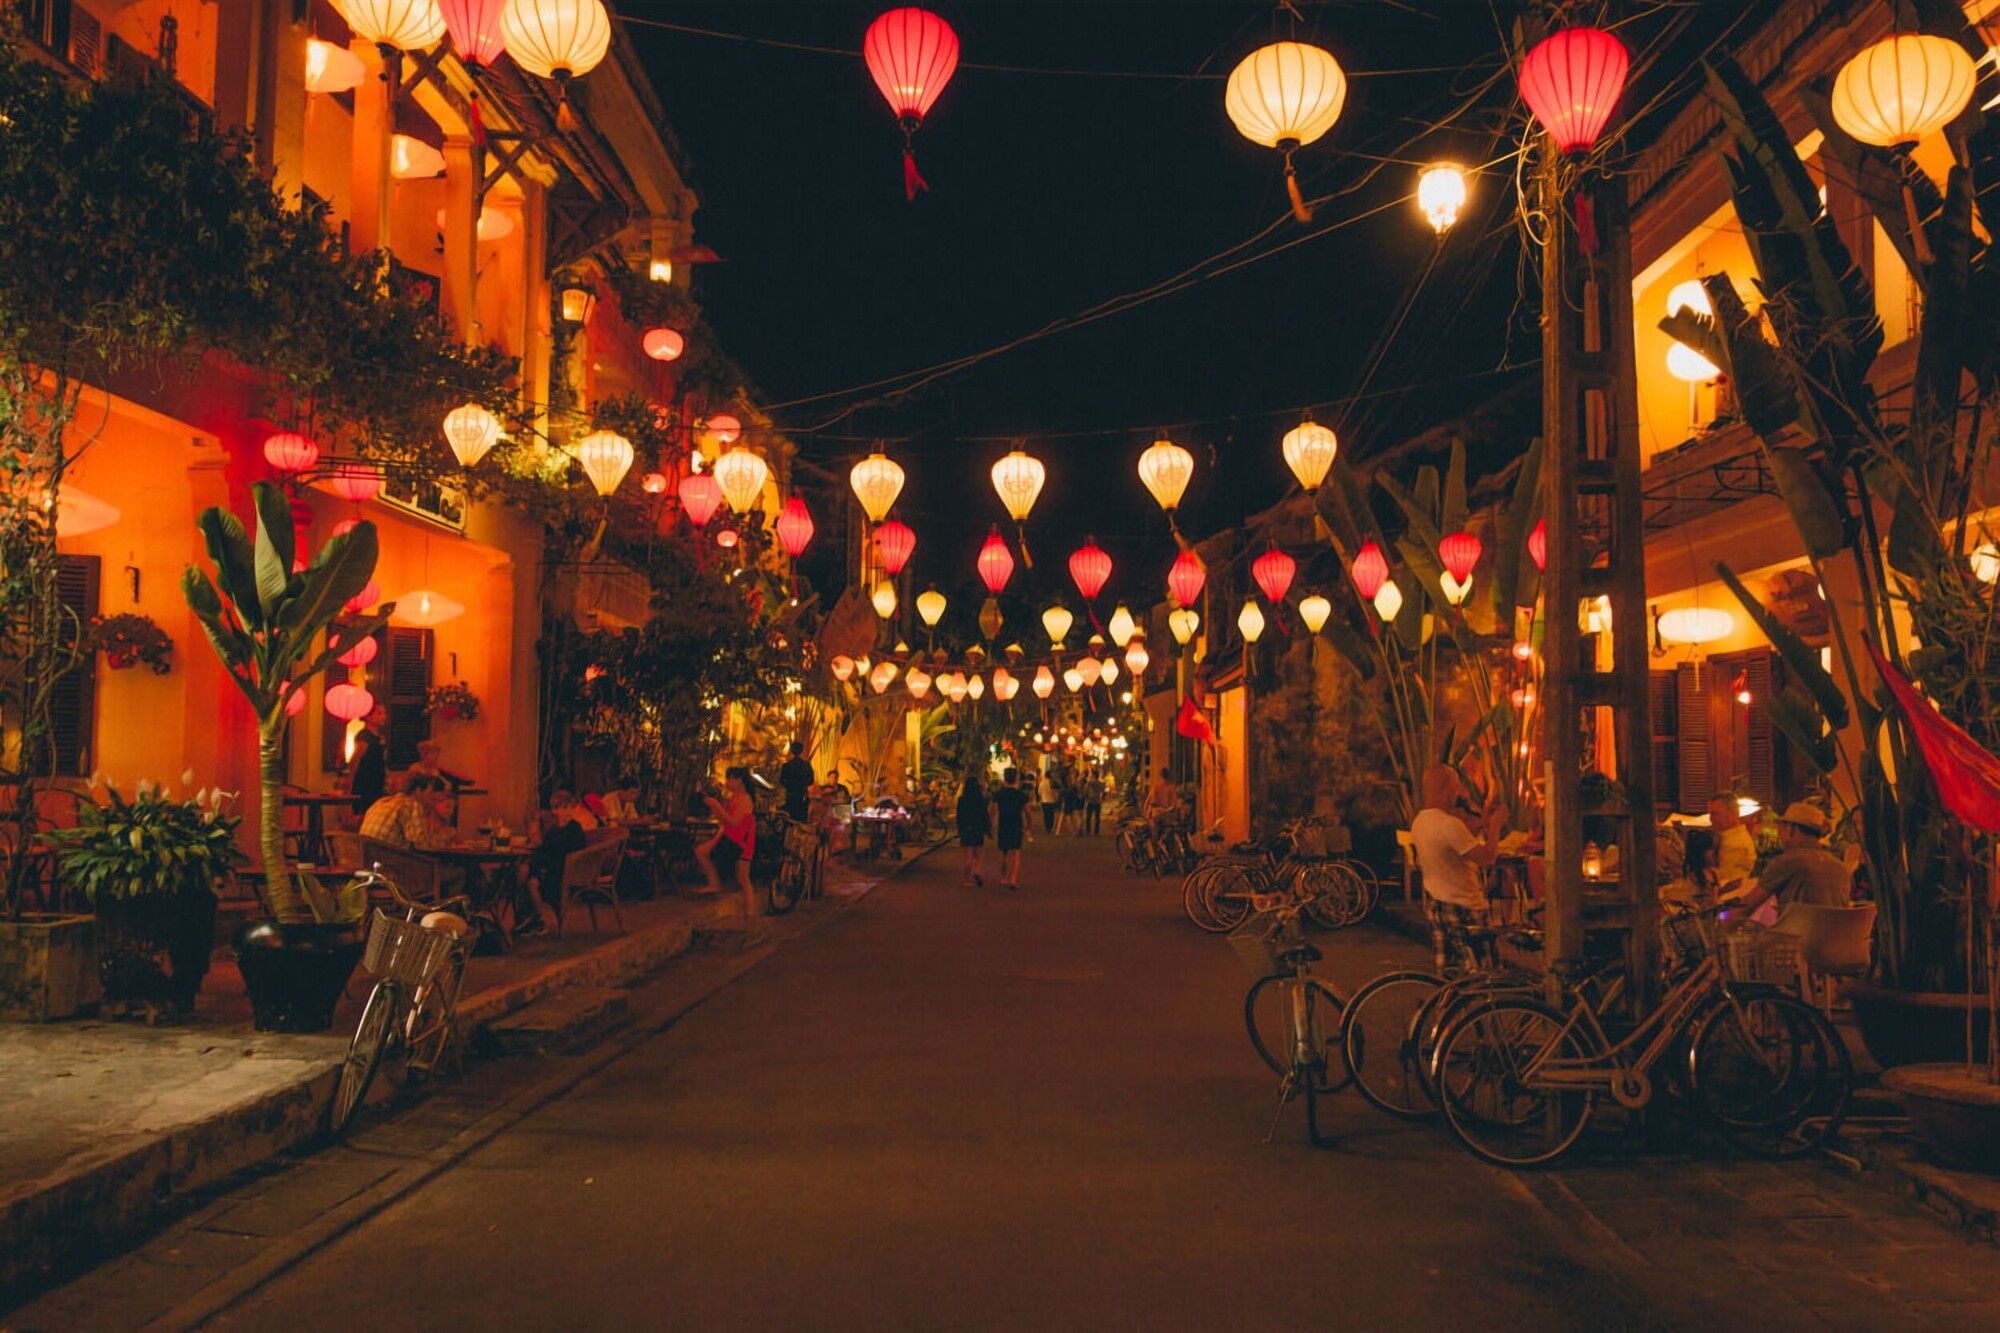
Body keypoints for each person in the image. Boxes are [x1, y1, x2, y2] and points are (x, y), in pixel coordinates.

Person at [1410, 763, 1501, 974]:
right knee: (1485, 976)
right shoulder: (1448, 825)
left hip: (1439, 904)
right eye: (1457, 786)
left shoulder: (1420, 821)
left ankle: (1441, 1007)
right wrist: (1495, 826)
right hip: (1464, 908)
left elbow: (1459, 845)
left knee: (1452, 975)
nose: (1460, 791)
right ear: (1446, 789)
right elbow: (1487, 858)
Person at [1737, 802, 1852, 915]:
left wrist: (1723, 919)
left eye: (1782, 826)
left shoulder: (1786, 862)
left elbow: (1747, 906)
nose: (1779, 832)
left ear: (1792, 829)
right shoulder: (1840, 867)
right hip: (1837, 934)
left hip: (1796, 932)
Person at [521, 790, 596, 936]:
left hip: (563, 873)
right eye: (563, 807)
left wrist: (540, 845)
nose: (567, 811)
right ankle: (526, 917)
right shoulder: (553, 830)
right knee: (521, 873)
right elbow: (545, 849)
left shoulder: (575, 829)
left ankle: (537, 920)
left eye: (569, 807)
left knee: (530, 880)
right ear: (555, 810)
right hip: (550, 868)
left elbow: (567, 850)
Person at [696, 767, 759, 918]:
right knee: (702, 852)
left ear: (739, 780)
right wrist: (715, 806)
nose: (727, 782)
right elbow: (726, 820)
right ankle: (714, 883)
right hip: (730, 836)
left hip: (741, 840)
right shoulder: (735, 797)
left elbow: (734, 821)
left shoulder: (744, 799)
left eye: (730, 778)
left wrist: (716, 806)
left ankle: (749, 913)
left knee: (743, 877)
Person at [359, 773, 455, 852]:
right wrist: (447, 841)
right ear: (418, 791)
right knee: (456, 872)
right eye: (430, 794)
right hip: (388, 861)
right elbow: (421, 845)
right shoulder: (412, 805)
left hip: (366, 858)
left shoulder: (380, 802)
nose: (430, 800)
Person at [1708, 793, 1758, 899]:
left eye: (1715, 814)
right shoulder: (1726, 838)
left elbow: (1724, 880)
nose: (1711, 819)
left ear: (1733, 814)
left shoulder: (1736, 844)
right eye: (1710, 814)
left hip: (1728, 902)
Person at [342, 703, 388, 817]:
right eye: (379, 713)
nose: (383, 716)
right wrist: (349, 780)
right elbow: (355, 759)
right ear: (368, 717)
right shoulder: (364, 736)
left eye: (384, 713)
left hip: (378, 781)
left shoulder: (379, 737)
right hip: (366, 782)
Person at [991, 768, 1031, 891]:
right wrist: (1029, 825)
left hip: (1004, 823)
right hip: (1016, 823)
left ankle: (1003, 879)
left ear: (1005, 778)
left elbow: (993, 810)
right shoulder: (1021, 795)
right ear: (1016, 779)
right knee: (1016, 853)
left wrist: (991, 824)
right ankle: (1013, 879)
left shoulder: (999, 794)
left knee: (1004, 853)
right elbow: (1028, 811)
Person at [956, 769, 991, 887]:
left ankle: (967, 880)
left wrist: (960, 829)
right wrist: (987, 829)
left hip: (966, 828)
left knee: (968, 855)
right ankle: (976, 872)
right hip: (978, 828)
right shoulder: (982, 800)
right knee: (978, 855)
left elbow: (959, 816)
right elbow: (985, 815)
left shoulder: (962, 800)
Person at [778, 741, 814, 823]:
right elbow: (810, 780)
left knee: (789, 817)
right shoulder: (806, 765)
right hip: (801, 795)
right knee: (800, 818)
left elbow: (782, 780)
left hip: (790, 795)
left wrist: (789, 787)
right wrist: (803, 787)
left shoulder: (786, 766)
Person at [1037, 769, 1059, 835]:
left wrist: (1041, 797)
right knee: (1051, 814)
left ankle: (1047, 827)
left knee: (1046, 814)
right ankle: (1051, 826)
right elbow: (1055, 791)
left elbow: (1039, 791)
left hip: (1044, 800)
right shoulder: (1052, 783)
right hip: (1051, 800)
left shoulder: (1042, 783)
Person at [1082, 772, 1104, 837]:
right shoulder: (1100, 783)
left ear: (1093, 776)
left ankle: (1088, 831)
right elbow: (1102, 790)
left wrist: (1085, 797)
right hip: (1097, 801)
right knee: (1097, 817)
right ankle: (1096, 832)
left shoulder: (1089, 783)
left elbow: (1085, 791)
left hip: (1090, 801)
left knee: (1088, 817)